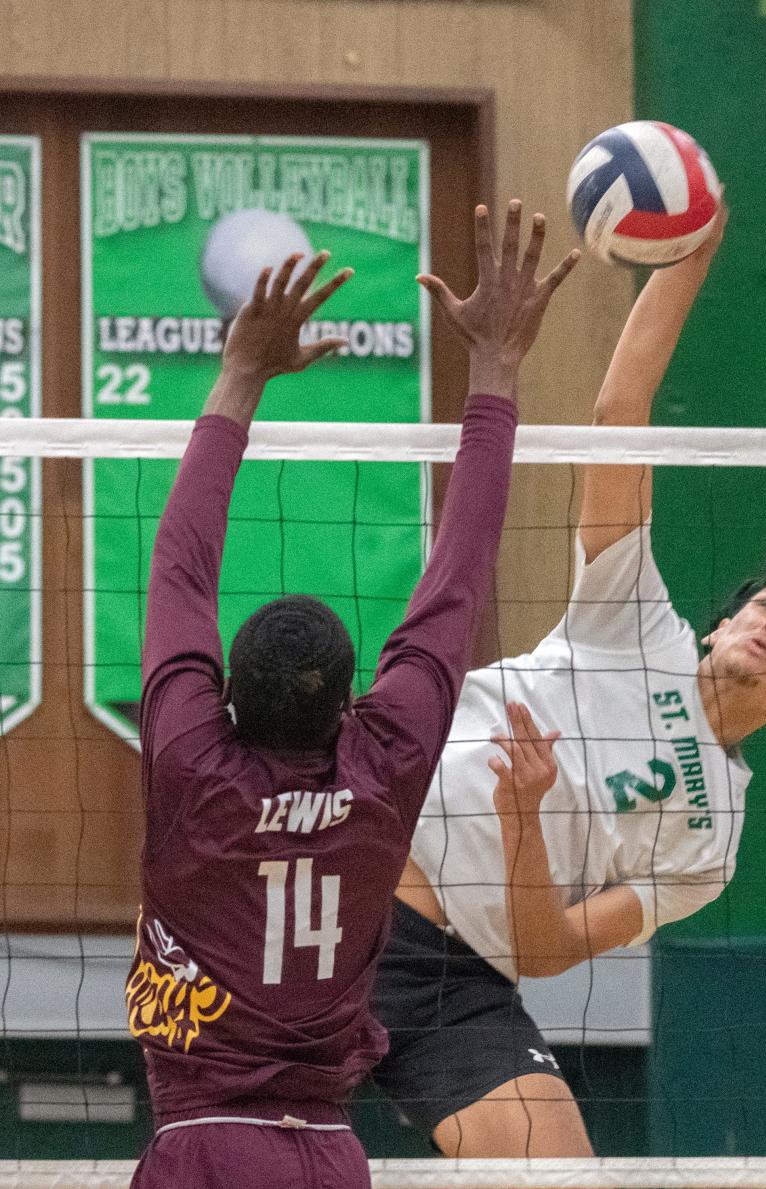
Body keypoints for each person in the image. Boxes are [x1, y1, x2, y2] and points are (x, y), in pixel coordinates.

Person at [371, 205, 766, 1158]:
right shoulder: (631, 618)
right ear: (726, 620)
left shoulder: (712, 840)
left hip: (450, 976)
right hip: (346, 871)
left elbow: (548, 948)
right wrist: (695, 250)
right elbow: (619, 409)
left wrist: (525, 816)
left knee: (563, 1175)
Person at [124, 201, 579, 1189]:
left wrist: (242, 371)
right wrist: (496, 370)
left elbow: (180, 566)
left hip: (202, 1141)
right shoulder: (382, 765)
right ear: (345, 711)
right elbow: (461, 576)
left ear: (223, 700)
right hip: (332, 1156)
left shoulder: (191, 760)